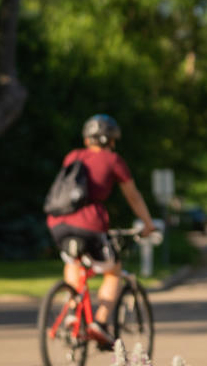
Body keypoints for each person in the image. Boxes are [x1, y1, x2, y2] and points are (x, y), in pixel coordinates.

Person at [47, 114, 156, 348]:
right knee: (113, 271)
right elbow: (133, 197)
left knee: (74, 262)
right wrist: (147, 223)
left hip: (58, 222)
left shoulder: (73, 156)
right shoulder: (113, 160)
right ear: (112, 140)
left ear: (87, 140)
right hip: (89, 224)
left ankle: (73, 312)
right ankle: (100, 323)